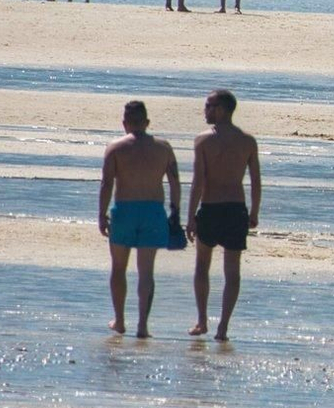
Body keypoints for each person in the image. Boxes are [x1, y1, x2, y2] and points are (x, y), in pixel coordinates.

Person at [98, 100, 181, 339]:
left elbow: (107, 184)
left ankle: (120, 320)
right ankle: (143, 325)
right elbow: (175, 182)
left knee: (118, 268)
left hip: (124, 210)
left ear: (124, 124)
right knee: (146, 272)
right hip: (153, 211)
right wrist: (175, 211)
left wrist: (101, 214)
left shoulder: (115, 148)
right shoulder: (163, 148)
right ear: (146, 122)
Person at [186, 89, 261, 342]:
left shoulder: (203, 140)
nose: (205, 110)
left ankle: (203, 320)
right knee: (231, 270)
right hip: (236, 209)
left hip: (211, 208)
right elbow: (256, 182)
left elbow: (197, 182)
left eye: (209, 106)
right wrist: (254, 211)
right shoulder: (248, 141)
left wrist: (190, 217)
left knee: (203, 267)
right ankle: (222, 328)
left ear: (221, 109)